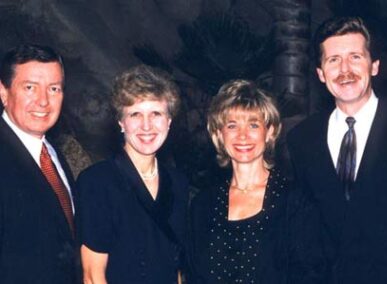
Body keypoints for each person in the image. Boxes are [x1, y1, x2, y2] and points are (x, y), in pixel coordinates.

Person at [287, 16, 387, 284]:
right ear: (320, 73)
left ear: (374, 66)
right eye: (334, 60)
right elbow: (305, 231)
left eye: (355, 57)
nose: (345, 69)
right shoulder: (302, 139)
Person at [187, 79, 325, 283]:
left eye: (253, 124)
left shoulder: (295, 202)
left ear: (269, 132)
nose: (243, 136)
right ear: (219, 134)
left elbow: (312, 277)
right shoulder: (202, 205)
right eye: (232, 125)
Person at [77, 64, 189, 284]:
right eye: (135, 114)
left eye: (156, 113)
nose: (146, 126)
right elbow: (92, 276)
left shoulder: (178, 182)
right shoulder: (98, 182)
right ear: (121, 122)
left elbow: (175, 266)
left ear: (169, 121)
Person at [0, 44, 77, 283]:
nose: (43, 101)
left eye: (54, 89)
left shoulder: (54, 156)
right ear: (3, 93)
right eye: (30, 87)